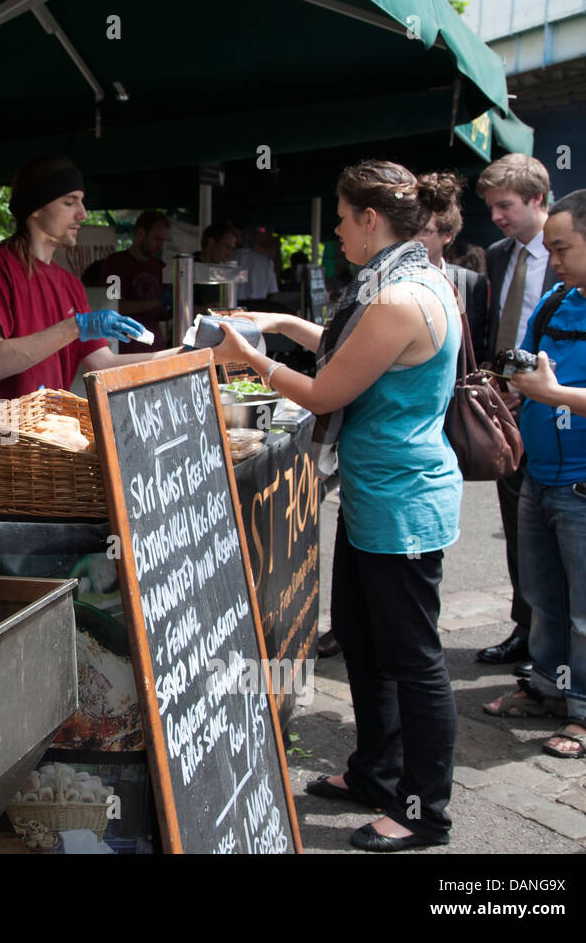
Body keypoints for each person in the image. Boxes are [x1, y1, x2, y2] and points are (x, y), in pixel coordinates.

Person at [211, 160, 463, 851]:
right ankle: (374, 772)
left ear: (370, 220)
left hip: (401, 500)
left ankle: (423, 810)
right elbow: (351, 355)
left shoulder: (397, 298)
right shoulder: (402, 282)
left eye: (345, 220)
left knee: (412, 658)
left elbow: (327, 393)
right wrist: (282, 321)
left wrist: (250, 359)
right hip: (375, 493)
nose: (338, 235)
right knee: (362, 636)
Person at [482, 189, 586, 758]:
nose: (553, 260)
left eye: (563, 248)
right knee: (542, 596)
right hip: (540, 475)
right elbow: (528, 365)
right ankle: (550, 689)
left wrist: (555, 393)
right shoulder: (558, 299)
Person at [0, 156, 183, 404]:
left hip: (48, 436)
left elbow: (104, 363)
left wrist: (185, 355)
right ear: (36, 208)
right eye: (70, 202)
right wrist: (77, 326)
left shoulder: (70, 284)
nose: (83, 214)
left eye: (82, 202)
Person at [474, 154, 559, 672]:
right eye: (491, 207)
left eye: (505, 205)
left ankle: (558, 643)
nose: (497, 216)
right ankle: (526, 629)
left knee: (561, 530)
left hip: (558, 409)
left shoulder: (574, 251)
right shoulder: (499, 254)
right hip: (505, 411)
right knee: (519, 523)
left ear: (537, 200)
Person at [414, 171, 489, 348]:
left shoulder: (471, 284)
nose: (414, 237)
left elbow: (475, 348)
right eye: (410, 229)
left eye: (425, 231)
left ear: (446, 235)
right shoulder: (388, 280)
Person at [99, 210, 170, 355]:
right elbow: (114, 307)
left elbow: (164, 312)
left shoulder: (160, 267)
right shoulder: (116, 263)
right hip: (125, 347)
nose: (160, 246)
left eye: (163, 240)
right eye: (157, 239)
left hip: (154, 346)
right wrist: (157, 302)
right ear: (141, 233)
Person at [191, 221, 243, 315]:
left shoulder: (223, 272)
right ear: (211, 243)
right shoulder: (188, 267)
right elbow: (173, 307)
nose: (229, 253)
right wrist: (209, 309)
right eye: (227, 247)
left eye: (232, 249)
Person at [231, 228, 280, 304]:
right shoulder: (266, 262)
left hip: (236, 303)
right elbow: (272, 292)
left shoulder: (232, 255)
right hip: (257, 305)